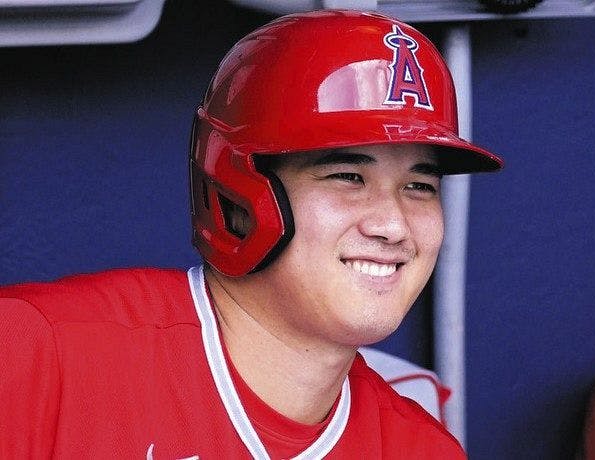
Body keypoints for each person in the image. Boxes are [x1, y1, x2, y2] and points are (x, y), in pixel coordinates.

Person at [0, 9, 502, 459]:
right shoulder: (32, 352)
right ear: (238, 193)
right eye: (348, 176)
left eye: (419, 186)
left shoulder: (421, 449)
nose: (393, 226)